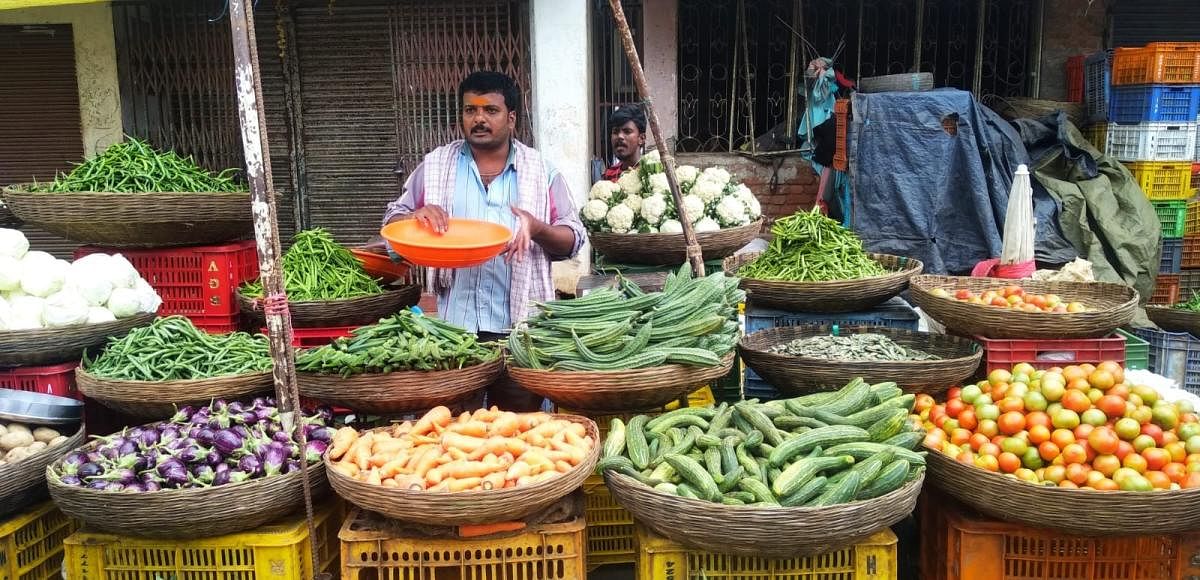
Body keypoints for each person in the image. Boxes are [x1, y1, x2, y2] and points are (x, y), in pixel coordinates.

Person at [382, 71, 586, 411]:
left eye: (490, 110)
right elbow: (392, 225)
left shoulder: (540, 171)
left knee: (520, 433)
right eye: (469, 110)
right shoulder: (436, 166)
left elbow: (573, 239)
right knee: (458, 432)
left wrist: (537, 228)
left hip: (520, 332)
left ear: (512, 118)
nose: (478, 119)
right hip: (453, 334)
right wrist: (413, 217)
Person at [600, 105, 647, 182]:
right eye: (615, 132)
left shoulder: (651, 173)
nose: (620, 136)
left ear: (641, 138)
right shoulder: (609, 175)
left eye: (627, 131)